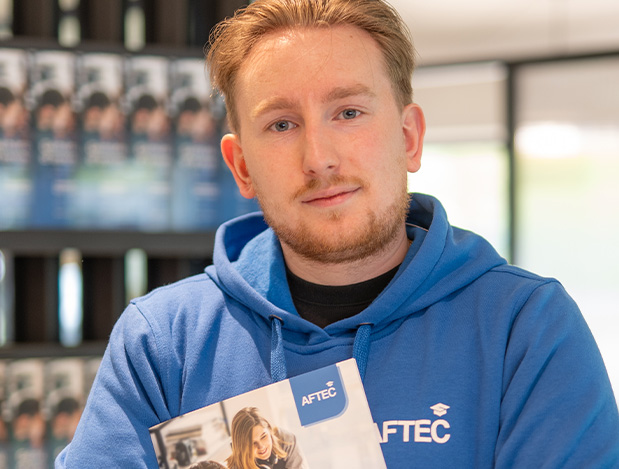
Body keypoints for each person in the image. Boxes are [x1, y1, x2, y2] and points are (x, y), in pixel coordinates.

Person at [56, 0, 619, 467]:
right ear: (242, 166)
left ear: (409, 138)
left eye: (348, 113)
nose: (318, 158)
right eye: (281, 124)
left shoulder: (525, 329)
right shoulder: (164, 342)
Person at [226, 407, 307, 469]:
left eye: (263, 436)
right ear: (242, 447)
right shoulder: (235, 466)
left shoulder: (286, 440)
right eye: (253, 443)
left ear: (269, 430)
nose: (261, 446)